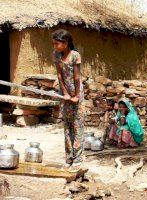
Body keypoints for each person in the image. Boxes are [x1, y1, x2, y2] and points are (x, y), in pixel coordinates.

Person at [52, 29, 85, 173]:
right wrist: (65, 93)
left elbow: (77, 78)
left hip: (77, 94)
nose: (55, 46)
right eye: (54, 43)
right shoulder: (56, 55)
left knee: (77, 127)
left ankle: (77, 160)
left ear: (65, 43)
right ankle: (69, 158)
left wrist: (76, 95)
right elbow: (59, 76)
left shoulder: (75, 56)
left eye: (57, 43)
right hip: (65, 94)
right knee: (67, 127)